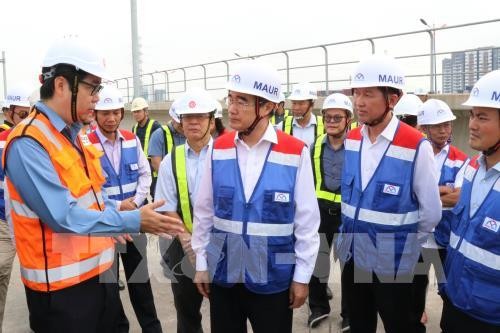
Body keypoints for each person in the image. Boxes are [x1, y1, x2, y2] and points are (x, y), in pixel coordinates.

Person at [2, 37, 184, 332]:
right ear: (61, 85)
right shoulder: (28, 143)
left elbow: (87, 197)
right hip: (61, 295)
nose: (98, 98)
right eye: (92, 88)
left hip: (99, 278)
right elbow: (64, 215)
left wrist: (117, 209)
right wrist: (132, 219)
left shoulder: (73, 135)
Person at [192, 61, 320, 333]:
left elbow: (307, 221)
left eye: (242, 100)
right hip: (225, 275)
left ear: (266, 107)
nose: (232, 108)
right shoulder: (218, 148)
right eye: (231, 98)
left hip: (273, 278)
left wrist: (302, 276)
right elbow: (203, 213)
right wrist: (202, 263)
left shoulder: (295, 152)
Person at [336, 54, 441, 333]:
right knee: (359, 324)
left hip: (395, 262)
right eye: (356, 93)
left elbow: (431, 212)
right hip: (354, 254)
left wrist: (400, 244)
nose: (358, 101)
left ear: (392, 99)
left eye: (368, 94)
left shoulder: (416, 144)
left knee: (400, 325)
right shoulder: (353, 138)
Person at [88, 84, 162, 332]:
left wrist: (136, 203)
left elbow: (145, 175)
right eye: (105, 113)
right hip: (106, 227)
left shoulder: (131, 140)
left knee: (141, 285)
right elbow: (86, 187)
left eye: (116, 113)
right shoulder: (85, 144)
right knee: (108, 289)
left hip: (133, 223)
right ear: (96, 114)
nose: (111, 118)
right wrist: (118, 205)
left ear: (122, 113)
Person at [440, 69, 500, 333]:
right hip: (454, 302)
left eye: (482, 117)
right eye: (473, 115)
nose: (472, 124)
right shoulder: (472, 169)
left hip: (489, 318)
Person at [155, 88, 216, 333]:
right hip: (183, 246)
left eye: (200, 117)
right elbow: (167, 204)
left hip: (223, 245)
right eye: (187, 117)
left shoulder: (226, 153)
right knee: (187, 311)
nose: (193, 122)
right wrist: (187, 240)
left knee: (226, 311)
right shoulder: (172, 159)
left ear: (212, 122)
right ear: (180, 123)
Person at [414, 98, 469, 332]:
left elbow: (459, 198)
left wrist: (426, 193)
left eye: (447, 125)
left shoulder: (460, 158)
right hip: (418, 235)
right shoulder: (414, 154)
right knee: (415, 285)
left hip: (447, 236)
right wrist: (442, 190)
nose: (444, 130)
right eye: (438, 126)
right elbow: (409, 194)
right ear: (424, 128)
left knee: (449, 286)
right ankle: (417, 313)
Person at [308, 93, 352, 330]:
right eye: (328, 117)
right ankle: (318, 307)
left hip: (347, 214)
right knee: (318, 263)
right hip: (320, 212)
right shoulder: (314, 146)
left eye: (338, 117)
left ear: (348, 119)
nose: (332, 121)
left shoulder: (357, 146)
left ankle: (349, 314)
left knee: (350, 266)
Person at [0, 85, 32, 330]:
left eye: (29, 114)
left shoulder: (31, 138)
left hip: (30, 222)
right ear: (7, 113)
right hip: (3, 221)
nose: (25, 120)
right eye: (22, 115)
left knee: (36, 277)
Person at [148, 102, 186, 198]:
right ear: (173, 118)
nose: (183, 126)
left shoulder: (190, 134)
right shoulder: (159, 135)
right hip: (165, 188)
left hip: (187, 188)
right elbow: (156, 164)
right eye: (180, 123)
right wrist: (175, 184)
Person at [131, 96, 161, 199]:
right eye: (134, 112)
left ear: (146, 112)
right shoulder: (134, 128)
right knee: (139, 194)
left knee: (156, 194)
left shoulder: (155, 126)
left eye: (138, 111)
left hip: (152, 166)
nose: (136, 114)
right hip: (140, 165)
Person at [279, 82, 324, 148]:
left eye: (301, 104)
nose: (296, 108)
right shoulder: (281, 126)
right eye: (294, 103)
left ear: (312, 105)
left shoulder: (324, 125)